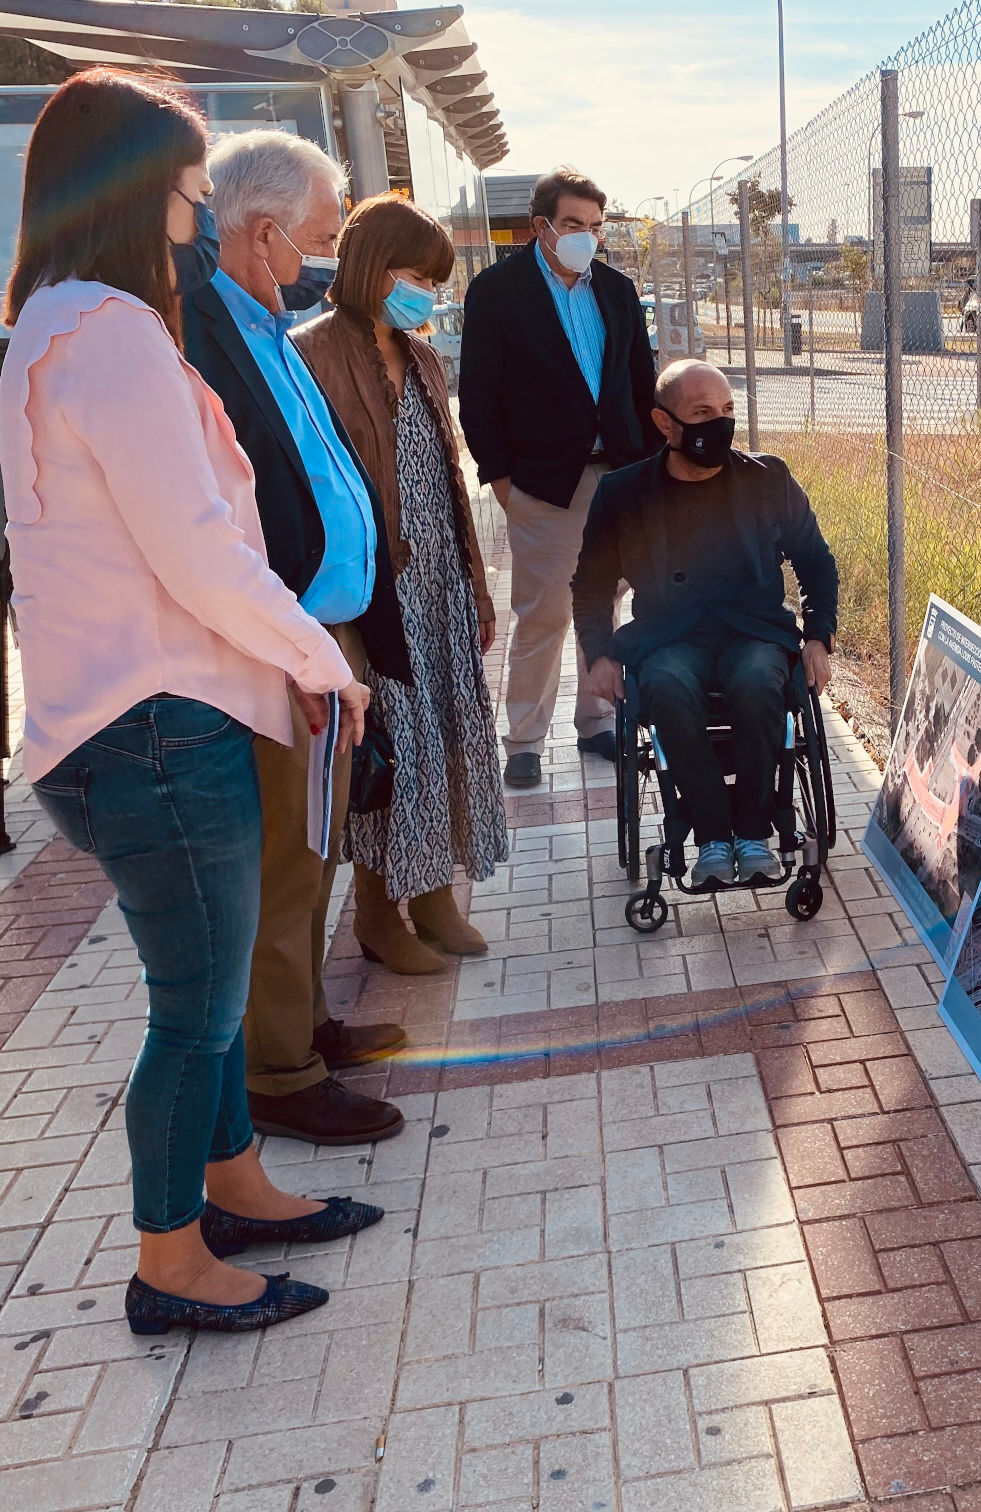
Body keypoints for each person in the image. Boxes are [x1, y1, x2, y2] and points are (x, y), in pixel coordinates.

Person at [0, 71, 385, 1335]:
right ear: (138, 194)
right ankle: (171, 1262)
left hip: (127, 721)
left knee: (208, 993)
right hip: (156, 728)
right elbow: (201, 550)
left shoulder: (53, 325)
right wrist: (323, 663)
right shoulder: (107, 333)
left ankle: (235, 1187)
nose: (199, 215)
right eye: (186, 190)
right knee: (194, 1012)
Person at [182, 130, 414, 1146]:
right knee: (286, 857)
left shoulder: (265, 330)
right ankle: (279, 1073)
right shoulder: (200, 336)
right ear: (263, 232)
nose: (323, 256)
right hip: (280, 640)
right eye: (318, 236)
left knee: (315, 847)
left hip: (328, 632)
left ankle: (304, 1023)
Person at [294, 194, 507, 973]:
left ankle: (433, 898)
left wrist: (478, 589)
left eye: (432, 278)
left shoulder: (421, 357)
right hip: (377, 591)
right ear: (366, 265)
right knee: (395, 748)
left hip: (441, 584)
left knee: (447, 734)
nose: (423, 289)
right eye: (411, 272)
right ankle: (379, 915)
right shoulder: (312, 351)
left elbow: (451, 477)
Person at [571, 360, 838, 886]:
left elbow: (815, 561)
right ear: (664, 422)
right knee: (667, 685)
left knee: (761, 681)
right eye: (702, 413)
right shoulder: (624, 494)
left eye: (727, 410)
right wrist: (599, 652)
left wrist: (817, 636)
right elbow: (591, 583)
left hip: (754, 629)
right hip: (670, 634)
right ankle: (714, 837)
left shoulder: (768, 479)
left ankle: (754, 832)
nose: (719, 423)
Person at [458, 166, 657, 790]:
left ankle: (596, 721)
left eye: (596, 227)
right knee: (543, 611)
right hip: (544, 483)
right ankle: (523, 739)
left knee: (607, 602)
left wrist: (651, 471)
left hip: (618, 476)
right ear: (541, 225)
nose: (586, 237)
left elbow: (641, 385)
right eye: (573, 225)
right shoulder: (497, 292)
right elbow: (479, 395)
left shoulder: (618, 292)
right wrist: (501, 481)